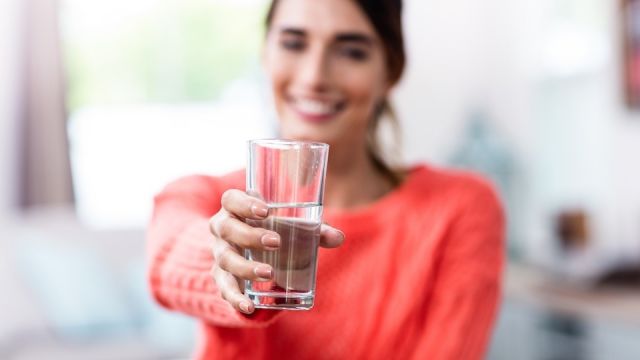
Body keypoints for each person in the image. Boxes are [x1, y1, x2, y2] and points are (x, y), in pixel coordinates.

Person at [146, 0, 505, 359]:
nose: (315, 77)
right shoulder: (208, 198)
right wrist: (226, 259)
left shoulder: (460, 207)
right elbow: (168, 257)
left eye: (351, 51)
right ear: (265, 54)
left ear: (390, 71)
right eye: (293, 43)